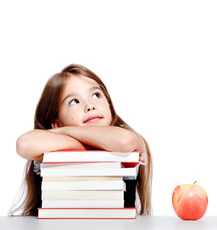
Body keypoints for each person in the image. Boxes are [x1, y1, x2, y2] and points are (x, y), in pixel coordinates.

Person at [12, 64, 152, 216]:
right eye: (74, 102)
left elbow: (124, 141)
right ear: (57, 122)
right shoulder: (47, 141)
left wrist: (64, 131)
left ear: (110, 109)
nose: (90, 105)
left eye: (96, 95)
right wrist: (92, 144)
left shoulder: (129, 137)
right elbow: (25, 144)